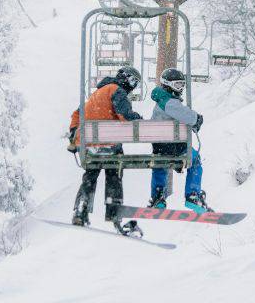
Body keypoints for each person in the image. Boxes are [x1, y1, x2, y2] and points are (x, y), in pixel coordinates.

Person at [68, 66, 142, 231]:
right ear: (125, 78)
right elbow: (126, 117)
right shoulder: (117, 91)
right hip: (110, 146)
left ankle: (81, 208)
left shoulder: (97, 94)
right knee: (114, 173)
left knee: (91, 175)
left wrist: (74, 135)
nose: (133, 86)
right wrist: (138, 118)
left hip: (90, 146)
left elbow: (76, 114)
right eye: (133, 81)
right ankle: (114, 210)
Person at [148, 68, 213, 213]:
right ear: (167, 84)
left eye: (182, 85)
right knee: (195, 160)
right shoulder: (169, 102)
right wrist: (197, 119)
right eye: (177, 85)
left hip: (159, 147)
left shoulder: (161, 100)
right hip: (174, 147)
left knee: (160, 164)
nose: (181, 88)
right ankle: (192, 195)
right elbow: (186, 115)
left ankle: (158, 197)